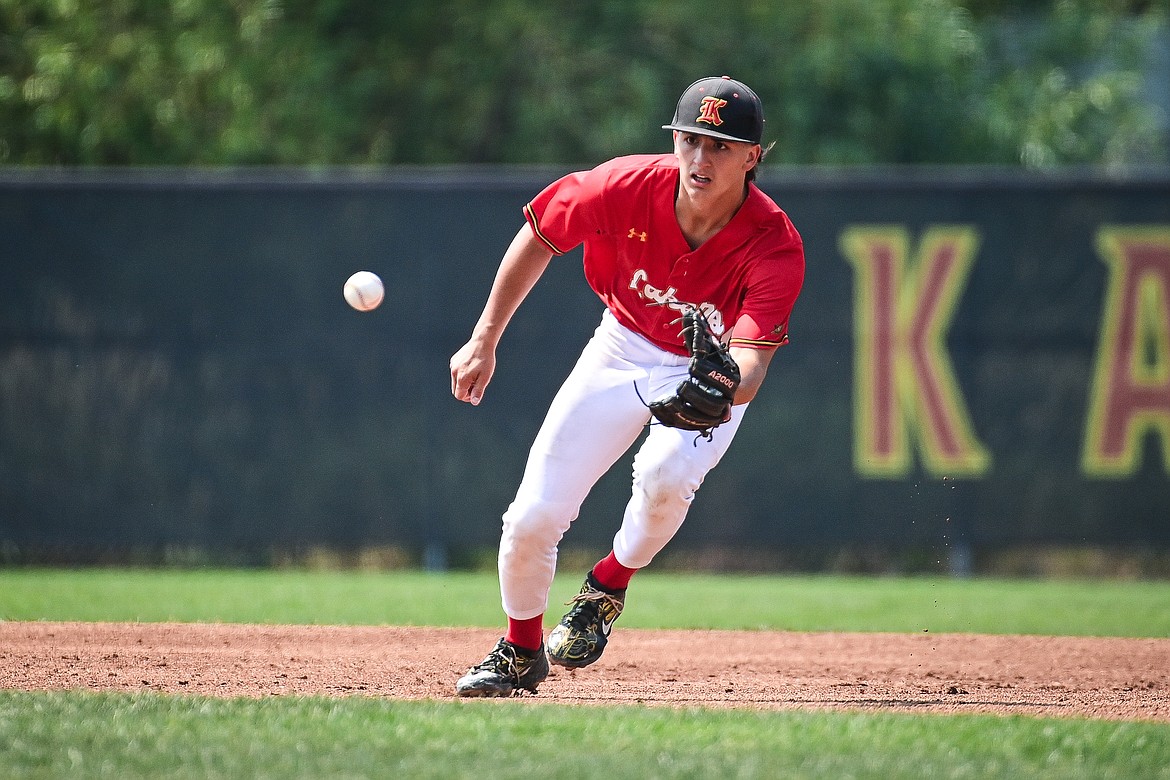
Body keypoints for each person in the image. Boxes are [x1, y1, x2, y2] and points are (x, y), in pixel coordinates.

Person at [449, 76, 805, 697]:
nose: (701, 157)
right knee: (532, 515)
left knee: (665, 479)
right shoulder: (625, 185)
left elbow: (750, 366)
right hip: (621, 345)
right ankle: (520, 649)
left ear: (754, 157)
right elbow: (539, 234)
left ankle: (609, 583)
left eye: (721, 146)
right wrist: (485, 338)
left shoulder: (775, 243)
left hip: (705, 368)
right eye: (690, 139)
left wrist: (722, 388)